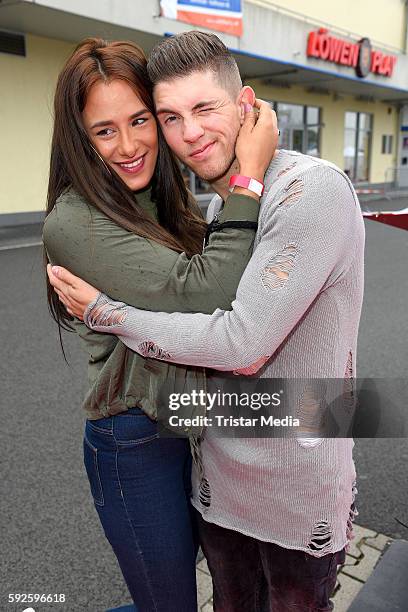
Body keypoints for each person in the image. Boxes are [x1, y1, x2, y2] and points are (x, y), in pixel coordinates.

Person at [49, 31, 365, 612]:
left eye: (203, 109)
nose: (188, 132)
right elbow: (219, 332)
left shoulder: (308, 192)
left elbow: (241, 344)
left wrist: (105, 314)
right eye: (171, 116)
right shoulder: (219, 210)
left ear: (246, 107)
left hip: (288, 494)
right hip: (201, 464)